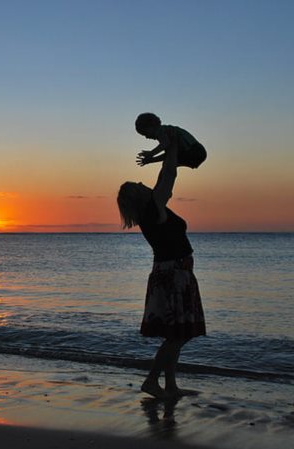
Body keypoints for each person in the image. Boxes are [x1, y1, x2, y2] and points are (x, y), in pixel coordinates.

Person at [117, 143, 206, 399]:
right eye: (140, 185)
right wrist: (172, 153)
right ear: (139, 195)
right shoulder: (153, 210)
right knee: (178, 336)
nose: (146, 185)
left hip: (173, 274)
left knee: (175, 334)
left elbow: (166, 177)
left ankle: (171, 386)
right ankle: (152, 381)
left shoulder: (151, 212)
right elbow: (168, 176)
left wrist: (168, 154)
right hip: (173, 276)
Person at [135, 112, 207, 169]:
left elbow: (165, 144)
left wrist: (151, 154)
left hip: (195, 151)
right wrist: (151, 160)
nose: (146, 137)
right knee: (168, 163)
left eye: (145, 133)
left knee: (168, 164)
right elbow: (168, 154)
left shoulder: (162, 131)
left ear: (151, 126)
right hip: (196, 153)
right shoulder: (167, 133)